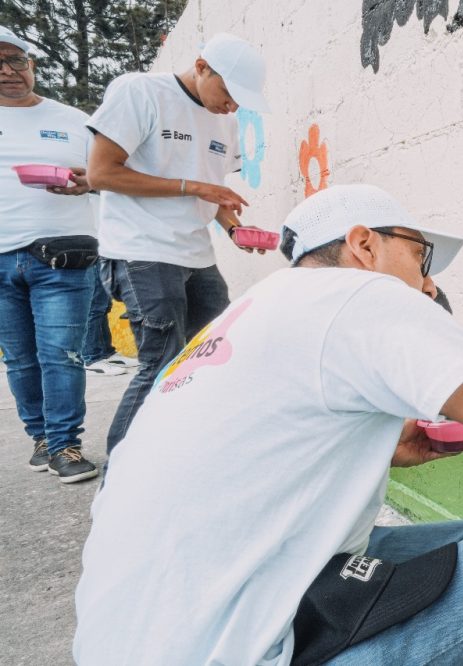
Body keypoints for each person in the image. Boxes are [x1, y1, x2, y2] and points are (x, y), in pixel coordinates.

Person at [74, 184, 463, 665]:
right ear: (364, 245)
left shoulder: (246, 315)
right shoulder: (361, 295)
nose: (426, 284)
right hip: (233, 654)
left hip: (130, 642)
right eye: (421, 256)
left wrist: (390, 450)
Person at [85, 32, 270, 455]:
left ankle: (184, 457)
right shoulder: (140, 92)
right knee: (162, 363)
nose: (233, 106)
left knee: (212, 359)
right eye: (229, 92)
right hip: (141, 252)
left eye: (243, 99)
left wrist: (233, 228)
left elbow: (213, 191)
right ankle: (120, 481)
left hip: (197, 256)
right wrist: (192, 187)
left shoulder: (225, 120)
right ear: (202, 66)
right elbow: (100, 174)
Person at [0, 25, 100, 483]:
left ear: (31, 65)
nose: (8, 71)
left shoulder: (72, 119)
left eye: (16, 60)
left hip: (62, 256)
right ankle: (41, 438)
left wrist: (88, 181)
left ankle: (65, 445)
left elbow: (107, 177)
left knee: (61, 354)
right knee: (19, 359)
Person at [81, 271, 138, 376]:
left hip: (100, 257)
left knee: (104, 306)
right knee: (94, 308)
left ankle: (106, 353)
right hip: (89, 259)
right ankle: (91, 359)